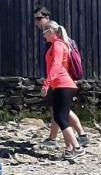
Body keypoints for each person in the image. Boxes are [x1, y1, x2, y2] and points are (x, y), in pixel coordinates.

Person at [33, 9, 88, 148]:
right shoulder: (59, 41)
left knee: (60, 113)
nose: (36, 22)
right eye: (35, 19)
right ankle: (70, 144)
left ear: (48, 20)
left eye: (39, 18)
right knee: (60, 112)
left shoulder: (56, 43)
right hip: (60, 81)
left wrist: (47, 83)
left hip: (61, 81)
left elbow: (57, 65)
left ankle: (75, 142)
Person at [41, 24, 81, 157]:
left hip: (62, 84)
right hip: (62, 84)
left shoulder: (58, 45)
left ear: (51, 31)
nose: (43, 35)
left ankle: (77, 147)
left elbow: (56, 65)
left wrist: (47, 83)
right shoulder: (60, 44)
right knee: (62, 116)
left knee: (59, 117)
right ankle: (70, 149)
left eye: (45, 32)